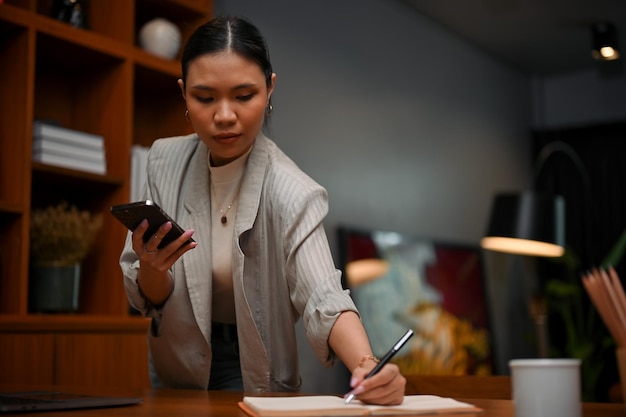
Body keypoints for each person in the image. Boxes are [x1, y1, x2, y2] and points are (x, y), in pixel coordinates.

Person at [119, 16, 406, 405]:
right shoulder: (164, 161)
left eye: (243, 95)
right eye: (205, 97)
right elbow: (153, 298)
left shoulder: (292, 190)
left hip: (255, 366)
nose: (224, 115)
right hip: (177, 362)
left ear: (269, 89)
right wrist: (153, 268)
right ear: (184, 94)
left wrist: (367, 364)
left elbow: (324, 295)